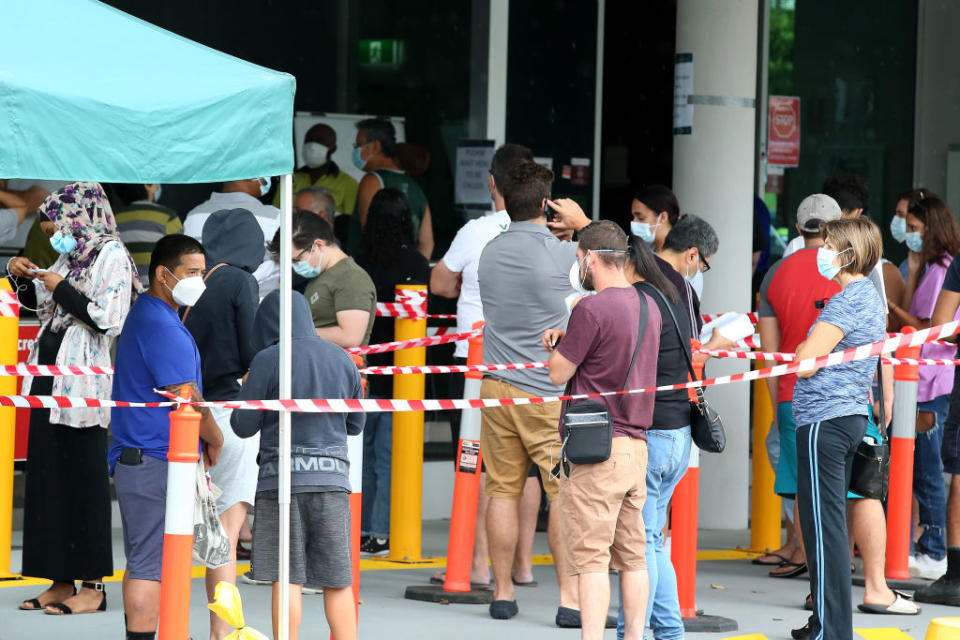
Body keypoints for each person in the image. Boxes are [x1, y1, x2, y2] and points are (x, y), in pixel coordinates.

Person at [11, 183, 141, 616]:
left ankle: (93, 585)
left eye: (59, 223)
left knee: (83, 484)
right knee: (48, 481)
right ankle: (58, 579)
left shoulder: (111, 256)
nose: (54, 233)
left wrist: (62, 285)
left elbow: (109, 318)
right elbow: (45, 307)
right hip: (49, 383)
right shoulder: (75, 255)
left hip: (82, 388)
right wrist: (22, 276)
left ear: (82, 216)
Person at [478, 161, 599, 626]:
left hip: (496, 385)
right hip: (547, 388)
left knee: (502, 490)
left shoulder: (490, 250)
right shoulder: (563, 255)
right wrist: (582, 230)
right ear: (548, 204)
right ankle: (569, 599)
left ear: (502, 195)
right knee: (564, 494)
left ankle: (503, 592)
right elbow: (614, 271)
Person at [430, 142, 542, 588]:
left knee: (476, 461)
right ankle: (523, 565)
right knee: (528, 465)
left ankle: (477, 565)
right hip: (532, 362)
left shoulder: (477, 231)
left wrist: (464, 283)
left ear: (492, 182)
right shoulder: (549, 231)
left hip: (479, 363)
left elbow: (439, 282)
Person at [543, 220, 661, 640]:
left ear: (590, 257)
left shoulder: (591, 309)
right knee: (633, 558)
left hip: (596, 451)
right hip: (636, 448)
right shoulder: (650, 306)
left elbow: (560, 373)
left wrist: (559, 342)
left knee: (590, 561)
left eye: (579, 258)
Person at [110, 234, 224, 640]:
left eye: (201, 272)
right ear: (163, 274)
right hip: (156, 458)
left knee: (154, 558)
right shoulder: (163, 326)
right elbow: (187, 397)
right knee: (149, 563)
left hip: (148, 456)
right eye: (191, 273)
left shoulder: (150, 315)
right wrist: (214, 436)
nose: (199, 281)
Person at [232, 290, 363, 640]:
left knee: (287, 577)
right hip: (333, 482)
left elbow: (243, 426)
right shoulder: (342, 358)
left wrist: (247, 388)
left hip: (281, 484)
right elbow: (356, 424)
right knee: (337, 580)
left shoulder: (268, 359)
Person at [789, 217, 887, 640]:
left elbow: (807, 360)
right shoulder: (867, 297)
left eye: (828, 244)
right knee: (823, 524)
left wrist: (803, 349)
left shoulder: (849, 301)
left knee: (823, 525)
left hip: (825, 422)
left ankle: (831, 629)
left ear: (848, 251)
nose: (821, 252)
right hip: (845, 418)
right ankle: (822, 623)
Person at [181, 209, 263, 639]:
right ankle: (224, 631)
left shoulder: (191, 282)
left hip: (187, 414)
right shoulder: (240, 282)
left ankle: (180, 626)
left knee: (186, 531)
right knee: (227, 536)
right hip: (231, 413)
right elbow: (253, 350)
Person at [756, 195, 843, 580]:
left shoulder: (776, 273)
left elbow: (771, 355)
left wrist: (778, 404)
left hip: (795, 393)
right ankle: (833, 568)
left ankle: (811, 564)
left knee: (802, 482)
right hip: (847, 395)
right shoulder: (851, 270)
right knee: (843, 488)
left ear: (797, 228)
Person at [614, 235, 692, 640]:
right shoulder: (673, 296)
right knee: (653, 539)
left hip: (653, 433)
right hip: (679, 432)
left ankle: (637, 631)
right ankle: (668, 630)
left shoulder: (637, 302)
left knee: (640, 543)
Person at [886, 194, 960, 580]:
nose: (907, 232)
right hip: (920, 380)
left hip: (933, 379)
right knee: (916, 468)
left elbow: (931, 325)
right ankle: (926, 547)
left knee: (930, 471)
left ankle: (934, 549)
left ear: (931, 228)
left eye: (912, 227)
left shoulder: (945, 269)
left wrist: (893, 313)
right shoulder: (928, 267)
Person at [354, 188, 430, 557]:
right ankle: (382, 532)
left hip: (361, 367)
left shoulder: (358, 261)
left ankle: (362, 527)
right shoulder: (414, 263)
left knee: (362, 452)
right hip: (401, 373)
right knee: (387, 454)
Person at [271, 211, 376, 349]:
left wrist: (291, 332)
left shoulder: (351, 277)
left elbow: (350, 337)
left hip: (337, 368)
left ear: (318, 245)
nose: (294, 267)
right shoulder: (321, 274)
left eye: (296, 260)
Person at [182, 179, 280, 298]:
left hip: (205, 304)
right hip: (259, 308)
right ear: (252, 176)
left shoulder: (194, 215)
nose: (268, 180)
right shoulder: (275, 217)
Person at [353, 117, 433, 259]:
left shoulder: (372, 181)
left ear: (375, 147)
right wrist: (414, 270)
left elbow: (369, 232)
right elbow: (427, 243)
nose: (355, 150)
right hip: (407, 275)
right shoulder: (416, 188)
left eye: (358, 145)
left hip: (371, 275)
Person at [275, 124, 359, 218]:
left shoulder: (348, 184)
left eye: (320, 141)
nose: (312, 146)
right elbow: (276, 213)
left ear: (333, 149)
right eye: (309, 140)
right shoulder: (289, 179)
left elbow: (349, 221)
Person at [108, 183, 182, 284]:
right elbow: (180, 258)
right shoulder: (168, 217)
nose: (158, 186)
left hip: (127, 289)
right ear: (147, 185)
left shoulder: (115, 217)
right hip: (158, 290)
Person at [629, 184, 680, 252]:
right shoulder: (642, 252)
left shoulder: (685, 256)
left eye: (641, 218)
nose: (634, 222)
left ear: (663, 217)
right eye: (633, 217)